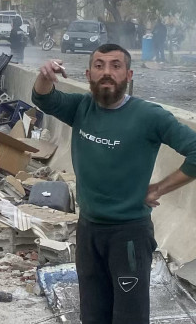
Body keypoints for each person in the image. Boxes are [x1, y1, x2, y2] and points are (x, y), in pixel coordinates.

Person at [33, 46, 196, 323]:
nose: (107, 72)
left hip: (129, 234)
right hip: (88, 232)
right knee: (93, 313)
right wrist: (45, 75)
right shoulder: (81, 108)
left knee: (129, 316)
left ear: (129, 74)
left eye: (115, 65)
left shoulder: (149, 116)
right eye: (99, 65)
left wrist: (158, 188)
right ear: (88, 74)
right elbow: (43, 99)